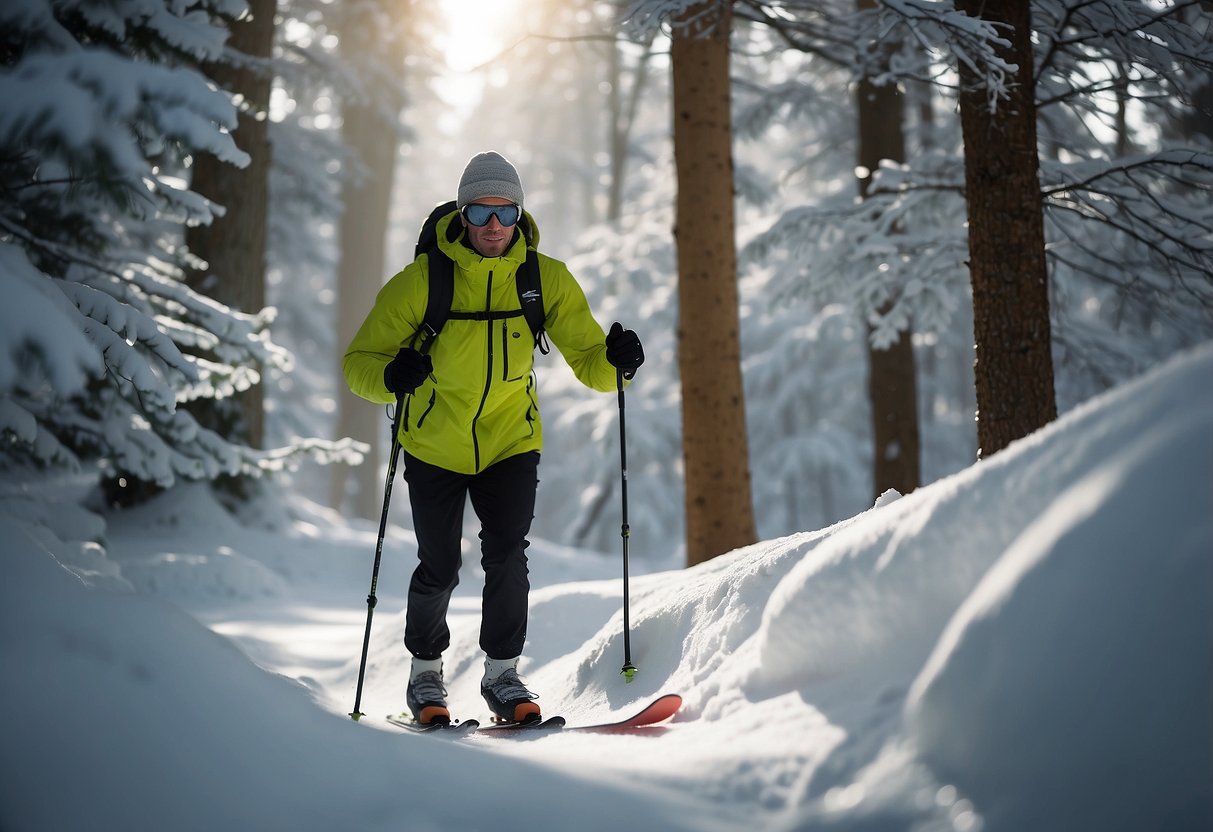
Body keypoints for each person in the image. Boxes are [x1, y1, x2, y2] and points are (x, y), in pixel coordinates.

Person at [343, 151, 645, 725]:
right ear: (462, 213)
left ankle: (502, 675)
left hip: (510, 440)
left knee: (508, 553)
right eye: (480, 210)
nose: (492, 225)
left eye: (504, 212)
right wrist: (391, 377)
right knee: (440, 567)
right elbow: (359, 362)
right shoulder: (423, 283)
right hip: (434, 443)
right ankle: (425, 677)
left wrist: (617, 363)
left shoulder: (542, 278)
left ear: (518, 214)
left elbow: (588, 358)